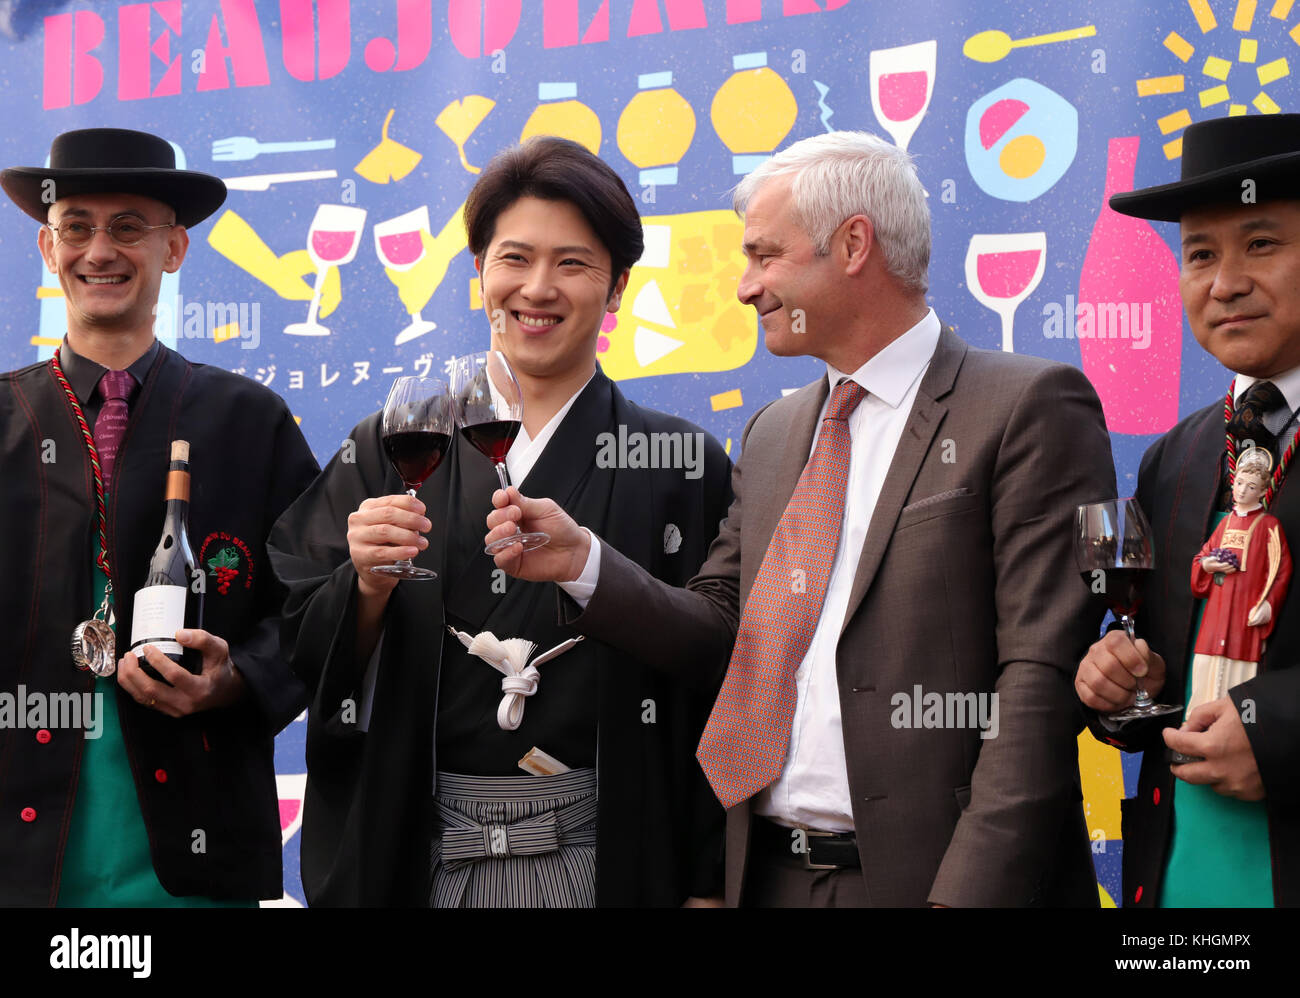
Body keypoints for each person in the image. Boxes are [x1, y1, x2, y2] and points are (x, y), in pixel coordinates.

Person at [487, 130, 1117, 907]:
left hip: (939, 882)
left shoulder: (1025, 407)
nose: (746, 287)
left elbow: (1038, 682)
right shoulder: (776, 432)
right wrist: (585, 562)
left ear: (854, 244)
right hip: (771, 879)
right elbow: (722, 630)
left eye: (764, 256)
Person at [268, 136, 731, 907]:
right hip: (423, 854)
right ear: (479, 270)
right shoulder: (388, 444)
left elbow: (725, 673)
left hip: (605, 854)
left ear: (618, 285)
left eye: (574, 264)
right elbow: (292, 631)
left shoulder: (681, 460)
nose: (538, 288)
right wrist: (365, 589)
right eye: (513, 259)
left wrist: (708, 880)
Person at [0, 128, 319, 906]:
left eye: (128, 227)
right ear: (48, 247)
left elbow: (320, 600)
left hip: (199, 849)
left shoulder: (251, 420)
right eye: (76, 226)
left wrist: (240, 677)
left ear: (174, 249)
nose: (98, 250)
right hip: (21, 852)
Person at [1076, 112, 1300, 907]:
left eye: (1261, 245)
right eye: (1200, 255)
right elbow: (1160, 669)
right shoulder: (1172, 456)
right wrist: (1121, 688)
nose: (1224, 282)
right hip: (1173, 880)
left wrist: (1277, 730)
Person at [1188, 448, 1290, 713]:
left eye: (1251, 486)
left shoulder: (1269, 526)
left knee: (1240, 668)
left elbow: (1281, 570)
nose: (1242, 491)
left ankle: (1237, 723)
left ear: (1262, 492)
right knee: (1205, 664)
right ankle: (1197, 718)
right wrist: (1207, 565)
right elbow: (1202, 556)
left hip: (1245, 609)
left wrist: (1267, 605)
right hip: (1218, 609)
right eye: (1239, 483)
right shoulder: (1225, 524)